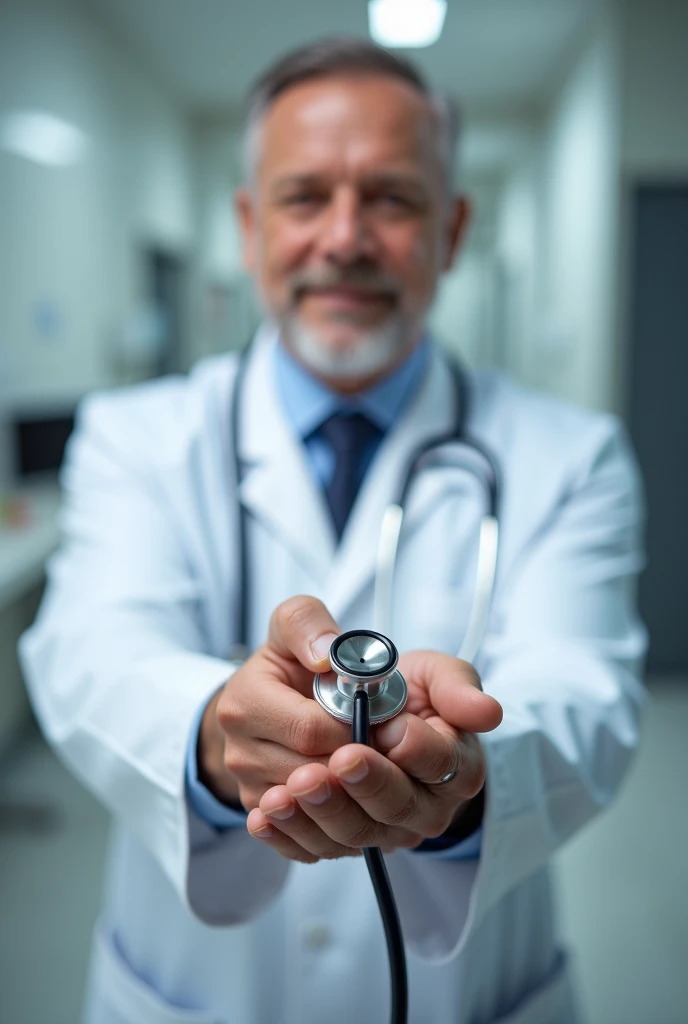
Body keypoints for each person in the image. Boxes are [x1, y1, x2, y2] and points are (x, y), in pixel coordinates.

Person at [20, 38, 646, 1024]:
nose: (344, 237)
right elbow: (90, 648)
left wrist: (466, 776)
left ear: (452, 226)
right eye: (305, 196)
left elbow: (588, 696)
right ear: (248, 223)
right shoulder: (135, 435)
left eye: (391, 198)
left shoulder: (570, 453)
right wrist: (217, 737)